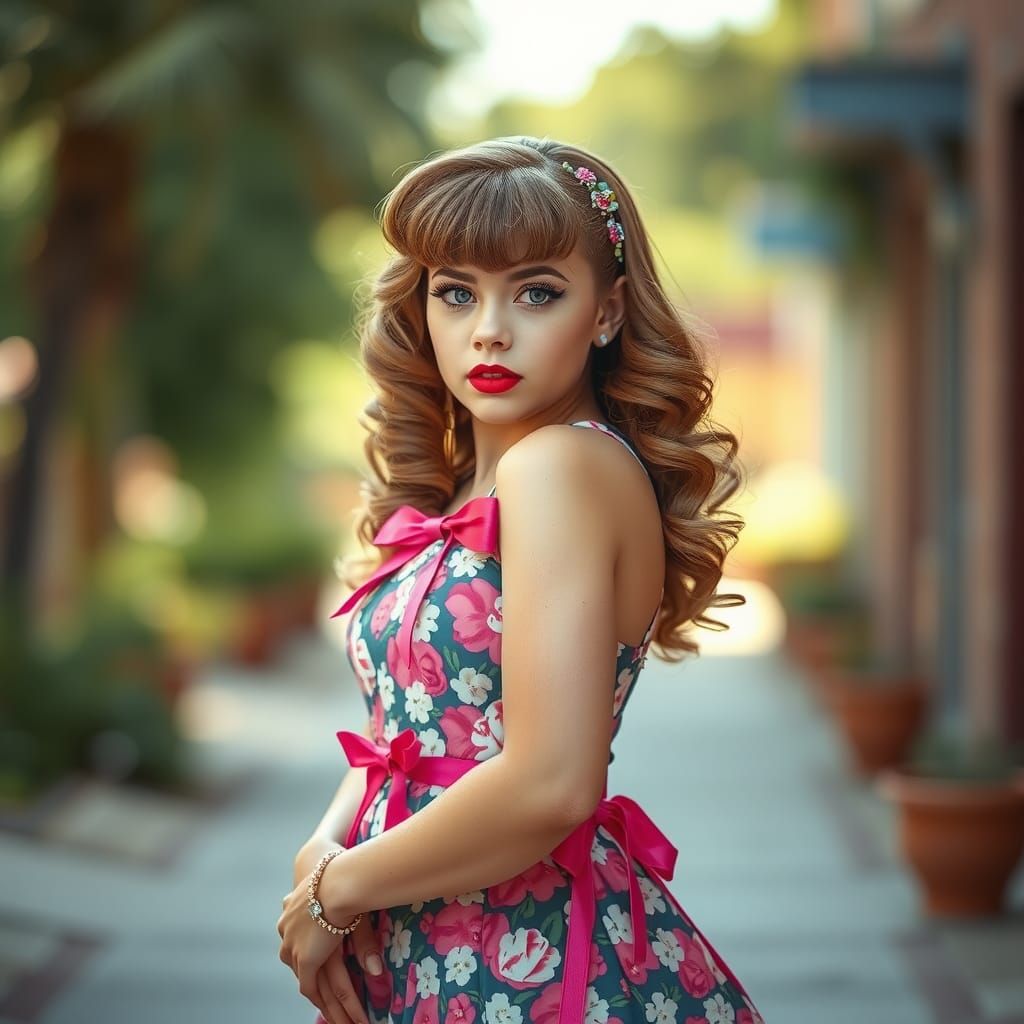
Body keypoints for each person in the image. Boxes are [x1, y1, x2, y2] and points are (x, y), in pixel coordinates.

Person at [277, 136, 763, 1024]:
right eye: (456, 292)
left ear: (607, 313)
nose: (489, 329)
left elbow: (550, 783)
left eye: (537, 292)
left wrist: (336, 892)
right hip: (423, 942)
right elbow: (400, 734)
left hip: (525, 965)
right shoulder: (466, 487)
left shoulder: (562, 470)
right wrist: (322, 849)